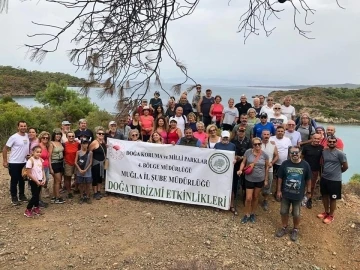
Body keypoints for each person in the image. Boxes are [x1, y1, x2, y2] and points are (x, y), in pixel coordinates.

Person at [275, 146, 312, 242]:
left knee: (296, 213)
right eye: (292, 153)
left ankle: (295, 229)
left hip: (298, 195)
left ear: (300, 153)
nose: (294, 154)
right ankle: (284, 227)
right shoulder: (285, 164)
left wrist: (308, 192)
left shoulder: (305, 165)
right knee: (283, 211)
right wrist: (278, 191)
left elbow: (308, 179)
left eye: (296, 152)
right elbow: (280, 178)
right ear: (289, 154)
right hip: (285, 194)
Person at [237, 137, 269, 224]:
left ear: (261, 144)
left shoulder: (265, 155)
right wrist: (240, 169)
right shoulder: (248, 152)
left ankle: (252, 213)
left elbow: (266, 167)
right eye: (255, 144)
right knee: (248, 198)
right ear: (252, 145)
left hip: (260, 179)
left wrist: (266, 179)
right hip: (249, 178)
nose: (257, 145)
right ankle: (246, 213)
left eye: (259, 144)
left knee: (255, 197)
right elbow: (243, 162)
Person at [317, 136, 348, 224]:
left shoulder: (340, 154)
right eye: (330, 142)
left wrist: (338, 173)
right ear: (327, 142)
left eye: (333, 142)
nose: (331, 143)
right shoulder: (324, 152)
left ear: (336, 143)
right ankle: (326, 212)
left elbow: (345, 166)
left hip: (335, 180)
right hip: (325, 178)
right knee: (324, 196)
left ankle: (331, 215)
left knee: (333, 198)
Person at [3, 121, 30, 205]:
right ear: (18, 127)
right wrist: (5, 161)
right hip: (14, 162)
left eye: (24, 126)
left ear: (26, 127)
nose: (23, 127)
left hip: (24, 162)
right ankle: (14, 198)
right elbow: (5, 149)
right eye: (21, 126)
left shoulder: (27, 136)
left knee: (22, 179)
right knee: (14, 180)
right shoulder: (14, 137)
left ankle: (21, 195)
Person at [231, 127, 252, 214]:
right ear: (237, 131)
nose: (241, 133)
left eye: (243, 131)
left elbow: (251, 152)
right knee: (235, 180)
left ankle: (245, 197)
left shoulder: (249, 141)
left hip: (246, 163)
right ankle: (234, 196)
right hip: (235, 164)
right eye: (240, 131)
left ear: (245, 132)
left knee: (245, 181)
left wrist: (242, 157)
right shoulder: (233, 140)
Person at [301, 133, 324, 208]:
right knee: (302, 184)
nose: (316, 140)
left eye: (318, 139)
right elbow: (301, 157)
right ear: (312, 139)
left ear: (320, 139)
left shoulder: (321, 148)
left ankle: (309, 199)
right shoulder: (306, 147)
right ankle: (301, 198)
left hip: (315, 170)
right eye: (315, 138)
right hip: (305, 169)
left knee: (312, 186)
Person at [270, 126, 293, 199]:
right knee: (270, 178)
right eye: (278, 131)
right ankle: (267, 192)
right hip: (272, 162)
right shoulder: (271, 138)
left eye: (282, 131)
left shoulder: (287, 140)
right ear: (276, 132)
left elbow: (290, 150)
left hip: (283, 163)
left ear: (284, 132)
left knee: (280, 178)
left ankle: (278, 192)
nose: (280, 132)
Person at [23, 146, 46, 217]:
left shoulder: (41, 160)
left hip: (40, 180)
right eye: (37, 152)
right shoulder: (30, 161)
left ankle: (36, 208)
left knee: (37, 195)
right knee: (35, 195)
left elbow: (42, 170)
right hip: (33, 180)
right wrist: (36, 181)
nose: (39, 153)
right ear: (33, 152)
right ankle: (28, 209)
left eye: (40, 152)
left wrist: (44, 179)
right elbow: (29, 173)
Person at [261, 129, 279, 211]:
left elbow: (277, 156)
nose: (266, 136)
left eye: (268, 134)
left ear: (270, 135)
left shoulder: (273, 145)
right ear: (262, 135)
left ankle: (265, 200)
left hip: (269, 169)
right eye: (264, 134)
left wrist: (272, 163)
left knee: (268, 185)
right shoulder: (258, 144)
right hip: (258, 168)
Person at [89, 126, 107, 200]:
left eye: (103, 134)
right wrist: (90, 163)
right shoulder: (94, 143)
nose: (101, 135)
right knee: (95, 178)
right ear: (96, 134)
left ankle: (99, 191)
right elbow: (89, 152)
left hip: (102, 163)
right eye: (99, 133)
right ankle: (95, 192)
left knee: (100, 178)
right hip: (96, 163)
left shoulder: (103, 142)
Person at [75, 138, 93, 204]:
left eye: (86, 143)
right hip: (80, 171)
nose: (85, 145)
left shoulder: (90, 152)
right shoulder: (78, 152)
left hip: (87, 171)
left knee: (88, 184)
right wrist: (79, 169)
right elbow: (75, 162)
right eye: (84, 143)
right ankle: (82, 196)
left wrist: (85, 169)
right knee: (81, 184)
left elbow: (90, 162)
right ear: (81, 144)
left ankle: (87, 196)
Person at [49, 128, 65, 204]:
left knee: (56, 181)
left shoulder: (60, 143)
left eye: (59, 134)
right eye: (56, 134)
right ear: (54, 135)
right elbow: (49, 156)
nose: (58, 135)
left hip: (61, 162)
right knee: (58, 181)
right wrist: (50, 167)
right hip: (54, 163)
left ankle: (54, 196)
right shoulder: (51, 144)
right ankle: (58, 197)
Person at [63, 131, 80, 199]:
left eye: (72, 136)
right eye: (69, 136)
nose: (71, 137)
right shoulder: (64, 144)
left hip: (76, 162)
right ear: (67, 137)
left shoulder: (77, 144)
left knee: (77, 177)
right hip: (68, 163)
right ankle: (69, 192)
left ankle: (76, 188)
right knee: (68, 177)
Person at [38, 131, 51, 200]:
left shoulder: (47, 146)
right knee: (40, 182)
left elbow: (49, 157)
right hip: (40, 167)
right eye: (44, 137)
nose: (45, 139)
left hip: (46, 166)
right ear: (41, 138)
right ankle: (39, 199)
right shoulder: (38, 146)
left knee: (46, 180)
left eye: (47, 138)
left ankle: (43, 192)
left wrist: (50, 167)